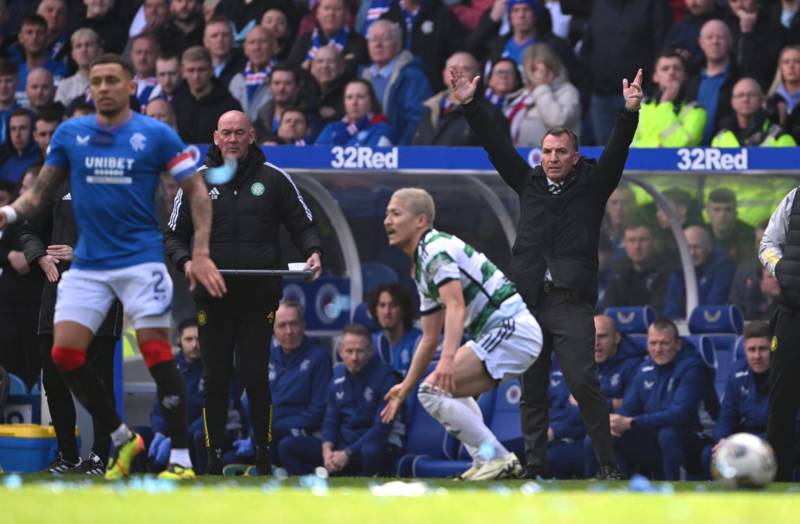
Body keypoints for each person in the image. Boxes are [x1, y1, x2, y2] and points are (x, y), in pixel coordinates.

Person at [0, 53, 226, 481]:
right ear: (90, 89)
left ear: (131, 86)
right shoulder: (71, 135)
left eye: (112, 80)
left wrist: (199, 252)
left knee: (157, 353)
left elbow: (196, 190)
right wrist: (9, 214)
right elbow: (38, 196)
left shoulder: (154, 135)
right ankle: (124, 438)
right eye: (97, 81)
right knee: (64, 354)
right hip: (88, 267)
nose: (103, 87)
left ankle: (180, 459)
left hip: (139, 258)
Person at [453, 64, 643, 479]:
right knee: (532, 390)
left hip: (570, 303)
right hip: (527, 302)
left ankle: (608, 464)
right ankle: (535, 466)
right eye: (547, 152)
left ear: (575, 158)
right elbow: (497, 147)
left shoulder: (593, 186)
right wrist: (470, 105)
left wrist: (629, 111)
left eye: (561, 152)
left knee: (583, 383)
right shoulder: (528, 182)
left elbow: (617, 153)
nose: (552, 158)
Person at [164, 110, 323, 475]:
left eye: (240, 133)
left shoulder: (275, 180)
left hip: (258, 296)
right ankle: (213, 459)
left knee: (254, 377)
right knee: (215, 378)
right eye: (226, 133)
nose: (233, 139)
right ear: (216, 138)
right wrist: (187, 263)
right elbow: (172, 236)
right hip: (212, 295)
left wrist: (314, 251)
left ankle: (264, 458)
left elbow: (304, 225)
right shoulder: (195, 182)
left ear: (251, 136)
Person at [380, 188, 544, 481]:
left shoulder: (434, 249)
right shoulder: (421, 265)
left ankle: (497, 458)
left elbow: (454, 306)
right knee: (436, 390)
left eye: (395, 213)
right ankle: (487, 460)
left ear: (420, 220)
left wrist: (448, 359)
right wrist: (404, 386)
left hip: (512, 329)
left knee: (432, 389)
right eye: (387, 213)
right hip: (506, 333)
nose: (387, 221)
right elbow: (429, 337)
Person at [279, 324, 403, 476]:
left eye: (360, 351)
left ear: (370, 352)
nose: (354, 357)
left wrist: (347, 453)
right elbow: (330, 420)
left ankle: (364, 488)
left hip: (374, 445)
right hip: (342, 446)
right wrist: (327, 451)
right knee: (288, 446)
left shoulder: (387, 378)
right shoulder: (337, 374)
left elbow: (381, 429)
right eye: (349, 351)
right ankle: (314, 486)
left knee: (370, 451)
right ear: (340, 352)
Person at [603, 319, 710, 480]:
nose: (658, 349)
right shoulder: (644, 368)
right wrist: (616, 423)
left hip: (695, 438)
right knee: (607, 436)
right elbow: (628, 408)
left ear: (677, 345)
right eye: (653, 343)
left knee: (668, 434)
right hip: (656, 437)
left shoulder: (693, 367)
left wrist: (632, 422)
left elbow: (679, 415)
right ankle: (616, 491)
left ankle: (676, 489)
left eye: (664, 343)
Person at [759, 184, 800, 481]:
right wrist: (781, 268)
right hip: (791, 315)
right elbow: (767, 246)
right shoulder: (794, 198)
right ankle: (778, 480)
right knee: (781, 402)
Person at [266, 300, 332, 466]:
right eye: (282, 325)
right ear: (273, 330)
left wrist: (278, 423)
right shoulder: (266, 357)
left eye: (293, 324)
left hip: (308, 433)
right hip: (274, 429)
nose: (289, 331)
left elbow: (318, 411)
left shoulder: (319, 358)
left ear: (303, 325)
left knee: (279, 442)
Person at [700, 321, 770, 474]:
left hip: (775, 440)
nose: (757, 356)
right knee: (709, 455)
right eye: (752, 350)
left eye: (763, 349)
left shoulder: (786, 374)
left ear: (772, 348)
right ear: (745, 349)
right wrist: (724, 440)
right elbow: (726, 417)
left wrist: (747, 445)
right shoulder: (737, 372)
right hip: (743, 438)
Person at [0, 166, 43, 388]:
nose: (20, 193)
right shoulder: (14, 217)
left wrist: (33, 258)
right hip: (7, 311)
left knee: (32, 371)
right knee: (8, 370)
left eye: (26, 188)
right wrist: (10, 255)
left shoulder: (50, 216)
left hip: (34, 311)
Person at [145, 318, 204, 472]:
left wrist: (179, 437)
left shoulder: (212, 368)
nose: (194, 345)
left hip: (194, 435)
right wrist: (159, 432)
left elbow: (213, 413)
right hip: (168, 433)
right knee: (139, 434)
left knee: (200, 436)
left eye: (198, 339)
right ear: (179, 340)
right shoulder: (169, 368)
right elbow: (159, 407)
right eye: (189, 339)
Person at [413, 51, 509, 146]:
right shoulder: (425, 110)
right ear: (443, 75)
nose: (459, 74)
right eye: (453, 69)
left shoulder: (490, 115)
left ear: (477, 76)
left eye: (466, 69)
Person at [361, 20, 431, 145]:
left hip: (398, 154)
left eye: (385, 39)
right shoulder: (361, 75)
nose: (378, 44)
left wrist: (399, 152)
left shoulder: (413, 76)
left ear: (398, 44)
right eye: (373, 39)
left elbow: (417, 119)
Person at [504, 43, 580, 148]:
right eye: (534, 69)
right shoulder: (523, 94)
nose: (539, 73)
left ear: (553, 67)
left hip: (554, 158)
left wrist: (542, 88)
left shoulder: (568, 91)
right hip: (522, 157)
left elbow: (558, 122)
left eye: (546, 66)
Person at [632, 50, 706, 148]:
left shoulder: (697, 110)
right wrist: (658, 146)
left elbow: (678, 145)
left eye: (677, 68)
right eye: (665, 69)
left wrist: (665, 103)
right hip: (641, 163)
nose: (671, 72)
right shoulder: (642, 108)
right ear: (655, 77)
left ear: (685, 76)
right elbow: (628, 145)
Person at [685, 20, 740, 145]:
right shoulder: (689, 80)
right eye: (709, 37)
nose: (715, 41)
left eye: (720, 37)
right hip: (690, 154)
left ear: (730, 41)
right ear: (701, 43)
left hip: (725, 154)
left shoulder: (739, 79)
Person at [172, 46, 241, 144]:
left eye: (201, 70)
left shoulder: (230, 106)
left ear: (211, 70)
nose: (196, 76)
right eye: (191, 70)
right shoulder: (176, 104)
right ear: (183, 72)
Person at [663, 225, 736, 319]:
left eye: (697, 247)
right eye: (688, 248)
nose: (692, 253)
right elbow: (671, 309)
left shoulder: (722, 267)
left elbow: (713, 306)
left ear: (708, 247)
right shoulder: (677, 272)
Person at [286, 0, 368, 79]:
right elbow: (291, 69)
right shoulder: (304, 40)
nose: (331, 13)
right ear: (318, 13)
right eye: (326, 8)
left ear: (346, 14)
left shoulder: (358, 42)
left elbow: (351, 69)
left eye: (337, 9)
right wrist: (341, 61)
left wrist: (310, 65)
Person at [602, 220, 670, 315]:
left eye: (642, 240)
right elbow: (607, 310)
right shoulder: (618, 273)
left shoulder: (664, 272)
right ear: (625, 244)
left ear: (652, 242)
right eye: (632, 240)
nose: (637, 246)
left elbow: (658, 310)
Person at [712, 77, 797, 147]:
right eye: (740, 95)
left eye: (751, 95)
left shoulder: (780, 136)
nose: (745, 99)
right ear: (732, 102)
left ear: (762, 100)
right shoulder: (720, 137)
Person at [315, 79, 392, 147]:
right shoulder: (332, 128)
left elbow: (376, 160)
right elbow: (317, 157)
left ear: (371, 101)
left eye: (360, 97)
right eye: (349, 97)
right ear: (344, 102)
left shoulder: (382, 129)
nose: (354, 102)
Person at [367, 283, 422, 375]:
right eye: (382, 305)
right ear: (375, 311)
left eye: (393, 305)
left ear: (404, 310)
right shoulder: (370, 344)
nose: (387, 312)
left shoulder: (419, 342)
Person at [705, 188, 756, 264]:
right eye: (717, 209)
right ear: (708, 212)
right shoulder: (700, 235)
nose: (722, 215)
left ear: (736, 212)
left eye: (728, 210)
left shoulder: (750, 236)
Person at [54, 28, 102, 107]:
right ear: (73, 54)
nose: (84, 50)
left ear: (99, 51)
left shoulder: (108, 83)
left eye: (88, 45)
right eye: (78, 46)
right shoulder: (65, 86)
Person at [766, 45, 800, 144]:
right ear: (780, 67)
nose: (791, 66)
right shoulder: (770, 101)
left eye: (797, 61)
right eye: (786, 62)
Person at [0, 108, 39, 185]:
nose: (17, 134)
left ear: (34, 130)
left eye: (23, 128)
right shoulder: (4, 163)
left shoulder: (42, 163)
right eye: (13, 129)